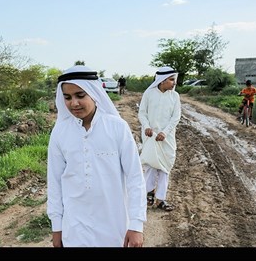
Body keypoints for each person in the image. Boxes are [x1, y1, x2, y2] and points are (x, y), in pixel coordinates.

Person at [47, 65, 147, 247]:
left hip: (113, 224)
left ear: (93, 92)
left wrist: (136, 224)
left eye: (80, 95)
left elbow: (135, 177)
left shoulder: (117, 127)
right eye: (67, 97)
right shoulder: (60, 131)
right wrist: (57, 226)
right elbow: (54, 181)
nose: (74, 103)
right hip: (74, 226)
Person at [138, 66, 181, 212]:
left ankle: (161, 199)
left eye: (173, 80)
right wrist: (146, 126)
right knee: (150, 165)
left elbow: (176, 117)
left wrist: (165, 132)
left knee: (165, 167)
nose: (173, 83)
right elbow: (142, 113)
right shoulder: (149, 94)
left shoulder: (175, 97)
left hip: (167, 138)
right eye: (171, 80)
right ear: (162, 81)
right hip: (150, 136)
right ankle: (147, 194)